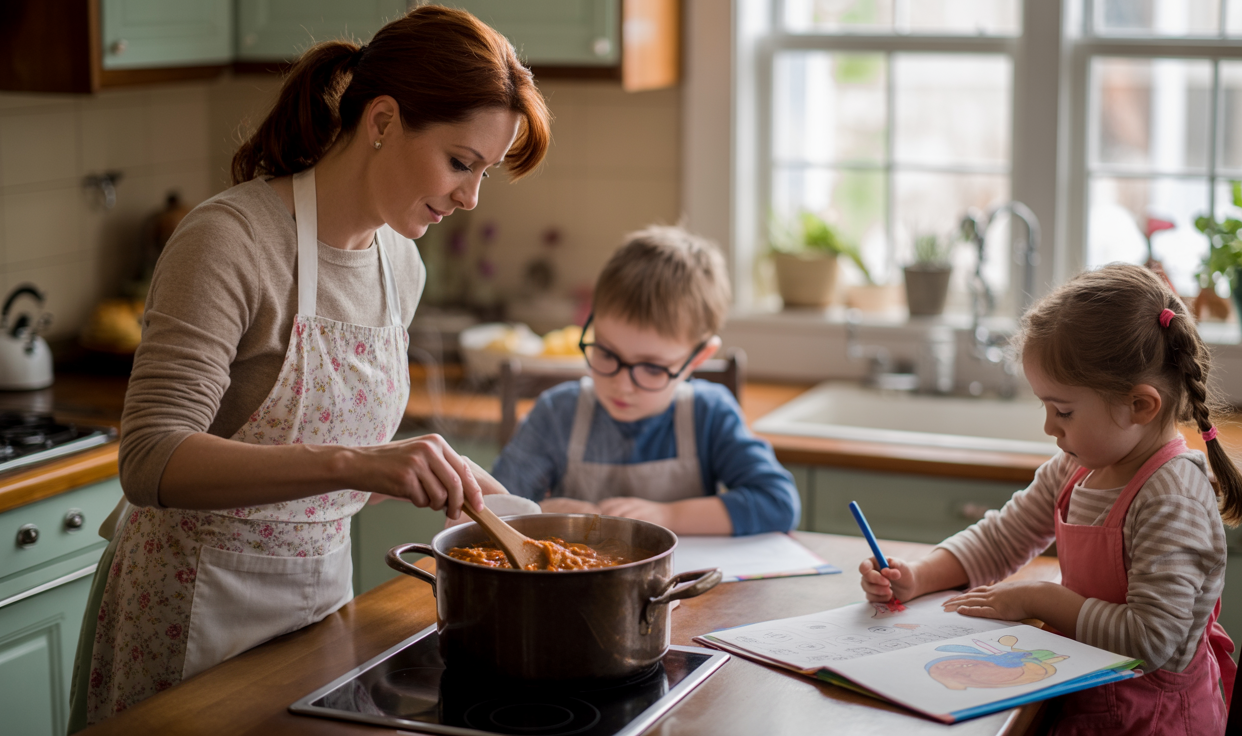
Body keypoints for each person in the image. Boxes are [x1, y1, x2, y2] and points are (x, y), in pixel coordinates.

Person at [67, 6, 550, 728]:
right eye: (460, 161)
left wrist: (411, 475)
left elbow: (313, 481)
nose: (469, 197)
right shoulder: (228, 241)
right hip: (191, 615)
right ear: (382, 120)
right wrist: (358, 463)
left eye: (483, 172)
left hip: (317, 613)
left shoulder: (400, 265)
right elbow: (149, 459)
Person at [859, 264, 1242, 735]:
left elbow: (1151, 642)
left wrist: (1039, 598)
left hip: (1153, 718)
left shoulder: (1172, 499)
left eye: (1063, 410)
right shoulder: (1079, 465)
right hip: (1085, 695)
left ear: (1140, 406)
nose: (1050, 427)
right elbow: (1004, 536)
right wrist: (918, 575)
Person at [492, 226, 800, 536]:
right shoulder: (557, 415)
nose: (622, 385)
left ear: (697, 359)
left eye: (652, 368)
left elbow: (777, 503)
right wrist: (543, 514)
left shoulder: (709, 415)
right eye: (607, 354)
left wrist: (670, 515)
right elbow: (492, 507)